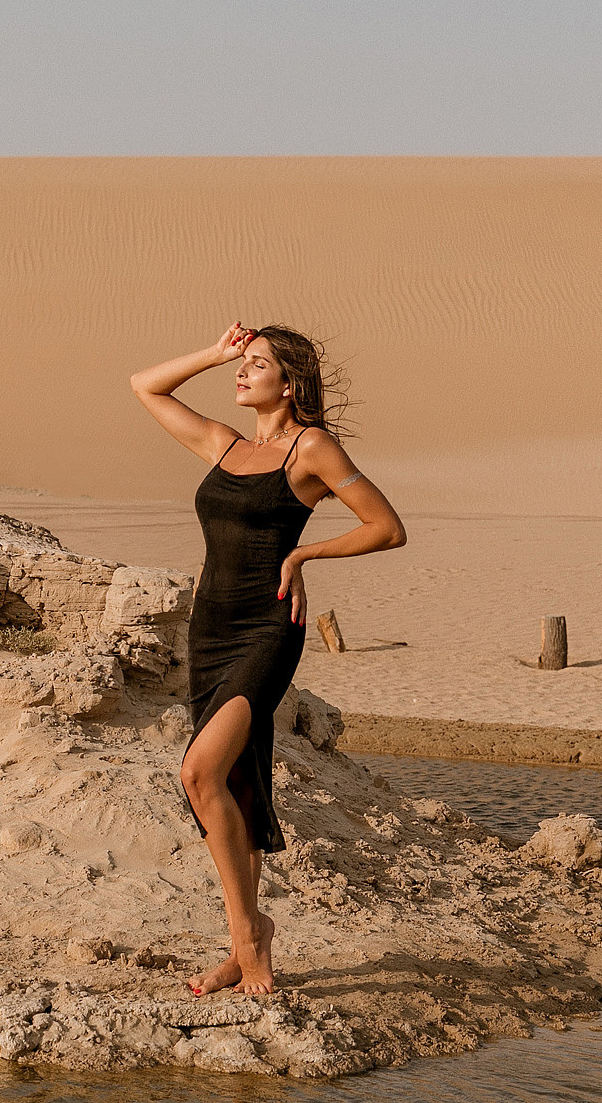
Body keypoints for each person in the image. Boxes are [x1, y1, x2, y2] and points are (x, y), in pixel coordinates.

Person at [129, 322, 407, 995]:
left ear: (289, 384)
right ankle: (240, 946)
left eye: (257, 365)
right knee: (240, 779)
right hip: (210, 629)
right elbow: (145, 386)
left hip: (267, 629)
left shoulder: (311, 448)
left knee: (200, 773)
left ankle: (250, 934)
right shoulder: (224, 445)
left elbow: (386, 527)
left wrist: (305, 553)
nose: (242, 372)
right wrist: (214, 352)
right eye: (243, 361)